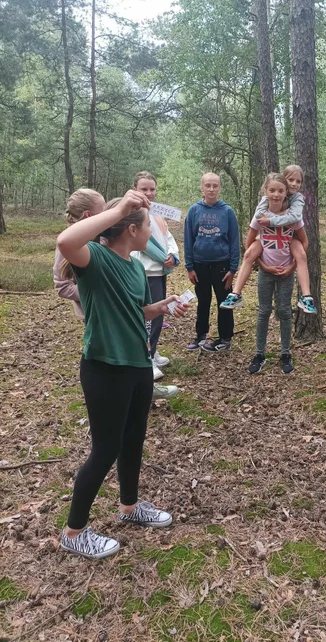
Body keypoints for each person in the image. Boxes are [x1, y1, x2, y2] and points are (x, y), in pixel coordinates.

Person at [56, 190, 189, 559]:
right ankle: (74, 530)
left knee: (132, 441)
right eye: (148, 226)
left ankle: (130, 507)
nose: (153, 233)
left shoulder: (134, 265)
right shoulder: (93, 258)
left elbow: (138, 311)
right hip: (104, 366)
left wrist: (160, 307)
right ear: (130, 228)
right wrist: (119, 208)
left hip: (137, 364)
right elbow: (66, 240)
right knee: (105, 449)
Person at [220, 165, 317, 314]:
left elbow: (296, 218)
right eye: (290, 180)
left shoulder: (298, 199)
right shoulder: (267, 199)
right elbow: (258, 216)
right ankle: (236, 293)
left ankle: (306, 296)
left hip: (290, 239)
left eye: (298, 181)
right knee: (248, 254)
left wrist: (292, 266)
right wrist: (261, 264)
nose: (294, 184)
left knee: (301, 254)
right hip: (266, 239)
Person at [247, 173, 309, 375]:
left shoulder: (293, 216)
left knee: (284, 311)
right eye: (272, 190)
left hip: (286, 273)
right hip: (266, 272)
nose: (276, 195)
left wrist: (291, 268)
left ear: (286, 194)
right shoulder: (260, 216)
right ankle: (259, 354)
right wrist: (263, 266)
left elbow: (304, 243)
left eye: (280, 191)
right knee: (264, 311)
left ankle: (285, 353)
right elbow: (249, 245)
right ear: (265, 192)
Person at [131, 171, 180, 381]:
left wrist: (172, 255)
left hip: (159, 271)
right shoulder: (132, 213)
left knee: (159, 315)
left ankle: (153, 350)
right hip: (144, 271)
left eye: (152, 189)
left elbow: (167, 236)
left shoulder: (158, 214)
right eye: (144, 189)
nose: (149, 193)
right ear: (135, 189)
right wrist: (161, 257)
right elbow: (142, 243)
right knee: (148, 317)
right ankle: (145, 358)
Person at [183, 173, 240, 352]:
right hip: (200, 265)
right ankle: (201, 335)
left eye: (215, 185)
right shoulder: (194, 210)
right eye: (208, 185)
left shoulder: (227, 211)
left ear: (219, 188)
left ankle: (225, 337)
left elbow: (234, 240)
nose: (211, 189)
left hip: (221, 265)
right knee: (203, 301)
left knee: (224, 301)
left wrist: (233, 268)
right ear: (202, 187)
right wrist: (189, 267)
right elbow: (188, 239)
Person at [53, 188, 105, 320]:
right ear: (88, 215)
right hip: (93, 314)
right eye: (103, 210)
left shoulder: (103, 236)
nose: (107, 214)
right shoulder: (68, 244)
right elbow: (63, 287)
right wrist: (99, 291)